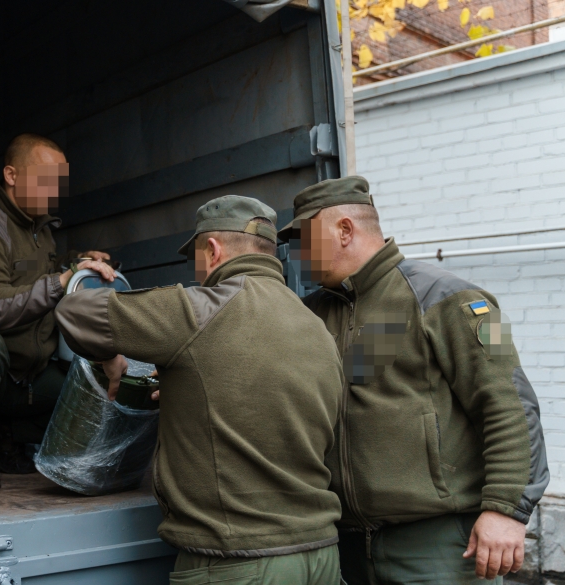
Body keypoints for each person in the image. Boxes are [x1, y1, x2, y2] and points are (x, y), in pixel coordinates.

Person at [56, 195, 345, 584]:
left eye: (194, 258)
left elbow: (75, 313)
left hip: (239, 564)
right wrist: (186, 388)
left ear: (212, 250)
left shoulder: (199, 311)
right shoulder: (318, 329)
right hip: (321, 555)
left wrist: (111, 359)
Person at [280, 176, 549, 584]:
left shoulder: (455, 300)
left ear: (345, 230)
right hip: (344, 546)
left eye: (303, 238)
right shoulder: (310, 314)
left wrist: (506, 509)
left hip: (436, 546)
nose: (296, 252)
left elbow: (510, 403)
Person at [0, 133, 116, 489]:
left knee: (84, 389)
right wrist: (63, 280)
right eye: (45, 180)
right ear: (12, 176)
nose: (54, 192)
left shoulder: (38, 229)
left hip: (21, 376)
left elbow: (29, 271)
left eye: (58, 183)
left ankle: (7, 433)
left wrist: (78, 263)